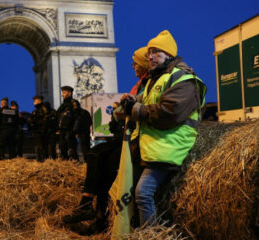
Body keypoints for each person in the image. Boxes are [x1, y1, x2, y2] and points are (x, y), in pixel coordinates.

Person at [122, 30, 206, 226]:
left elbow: (170, 113)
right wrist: (134, 100)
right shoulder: (156, 78)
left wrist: (137, 110)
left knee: (143, 193)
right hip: (154, 144)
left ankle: (151, 235)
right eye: (149, 52)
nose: (150, 56)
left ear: (169, 54)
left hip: (170, 145)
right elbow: (150, 102)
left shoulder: (183, 78)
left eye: (156, 52)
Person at [63, 46, 150, 234]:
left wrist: (123, 108)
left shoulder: (148, 85)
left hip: (136, 138)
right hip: (125, 136)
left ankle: (92, 210)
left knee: (103, 166)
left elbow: (124, 111)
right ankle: (92, 209)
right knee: (97, 156)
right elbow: (120, 113)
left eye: (136, 62)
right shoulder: (139, 85)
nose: (133, 66)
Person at [57, 86, 79, 160]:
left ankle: (74, 160)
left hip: (70, 129)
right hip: (62, 129)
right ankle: (64, 160)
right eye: (62, 93)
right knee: (62, 146)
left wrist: (75, 129)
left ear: (69, 93)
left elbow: (77, 116)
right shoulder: (63, 105)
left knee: (71, 146)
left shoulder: (74, 103)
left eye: (64, 93)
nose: (62, 95)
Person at [28, 95, 48, 162]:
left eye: (35, 101)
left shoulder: (43, 109)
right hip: (37, 130)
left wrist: (43, 128)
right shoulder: (35, 111)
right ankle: (39, 159)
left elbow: (45, 119)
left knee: (41, 146)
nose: (34, 103)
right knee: (38, 146)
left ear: (39, 101)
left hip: (41, 131)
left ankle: (42, 159)